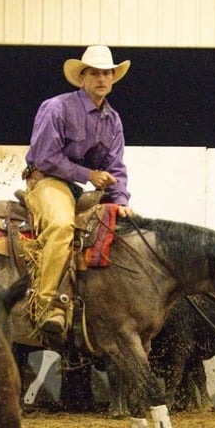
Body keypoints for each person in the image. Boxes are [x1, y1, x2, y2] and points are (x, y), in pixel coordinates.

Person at [22, 45, 135, 336]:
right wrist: (90, 175)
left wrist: (120, 199)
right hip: (47, 180)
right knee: (61, 226)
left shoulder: (113, 120)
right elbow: (45, 157)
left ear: (113, 78)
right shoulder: (57, 107)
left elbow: (116, 166)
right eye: (95, 73)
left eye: (107, 73)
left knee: (123, 231)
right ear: (81, 78)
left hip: (79, 186)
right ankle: (45, 304)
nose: (102, 78)